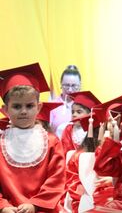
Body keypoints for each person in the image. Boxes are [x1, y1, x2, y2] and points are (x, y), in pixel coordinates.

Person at [0, 63, 66, 212]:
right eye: (17, 106)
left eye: (29, 106)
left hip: (43, 208)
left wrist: (35, 204)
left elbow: (57, 179)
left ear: (39, 107)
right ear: (5, 110)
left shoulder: (51, 142)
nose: (23, 111)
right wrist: (3, 206)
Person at [60, 91, 101, 156]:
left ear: (90, 114)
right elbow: (64, 150)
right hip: (71, 163)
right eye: (73, 112)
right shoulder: (69, 129)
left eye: (79, 112)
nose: (74, 115)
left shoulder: (95, 130)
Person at [50, 65, 82, 136]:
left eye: (74, 86)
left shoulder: (85, 106)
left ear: (80, 86)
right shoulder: (52, 105)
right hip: (57, 145)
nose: (70, 90)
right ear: (61, 84)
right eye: (66, 85)